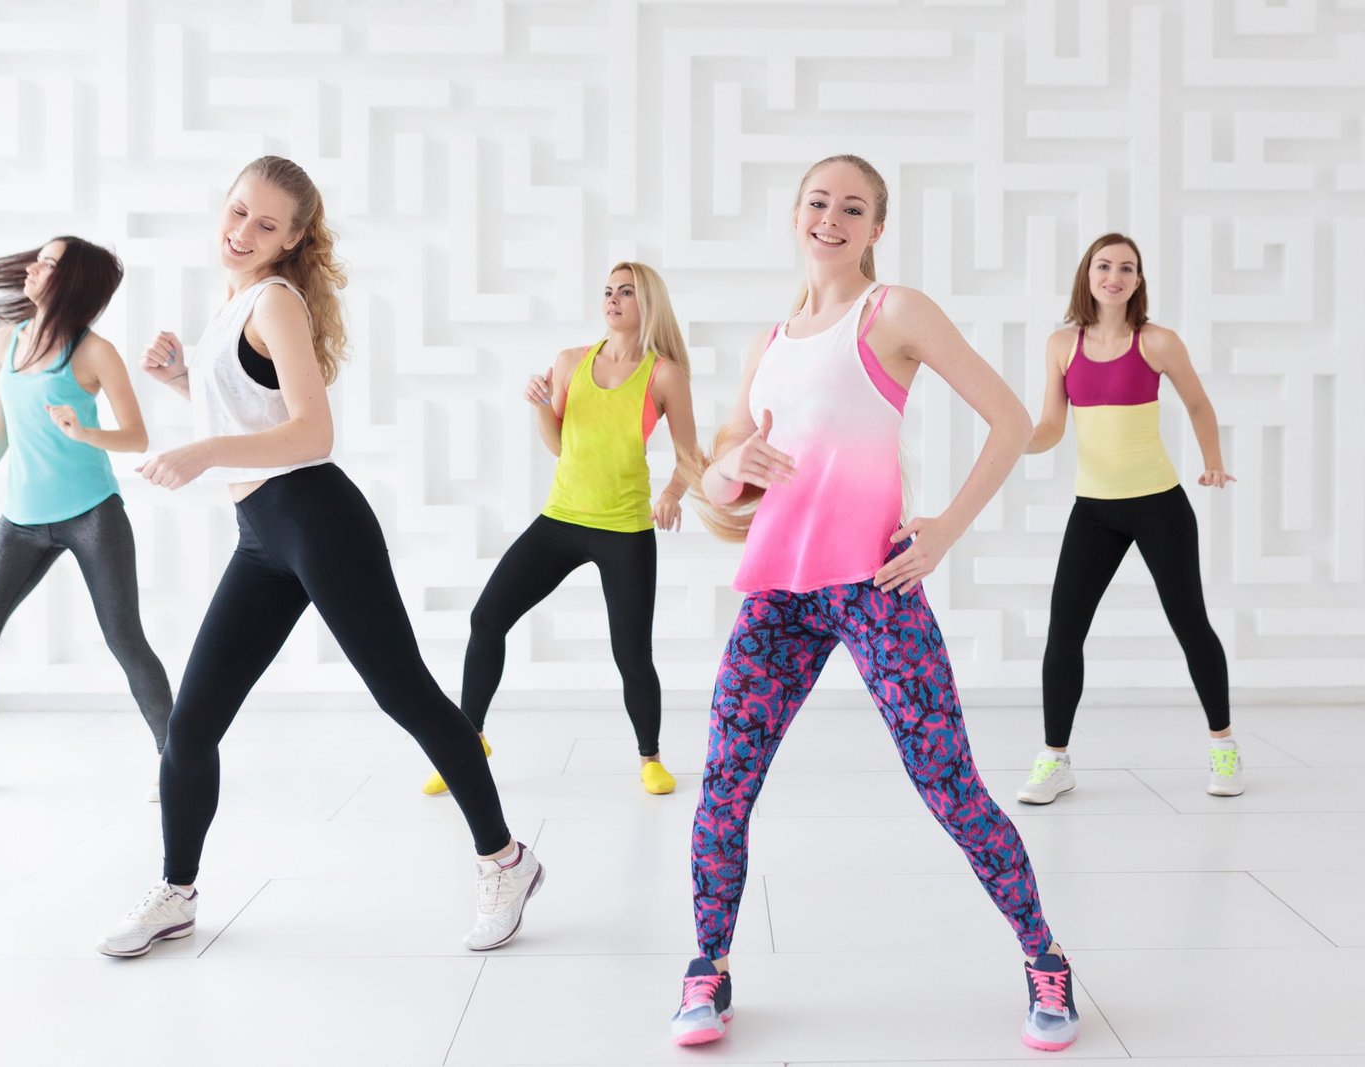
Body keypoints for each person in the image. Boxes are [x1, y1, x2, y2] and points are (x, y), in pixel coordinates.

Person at [669, 155, 1078, 1052]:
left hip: (875, 585)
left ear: (876, 227)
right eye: (819, 201)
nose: (832, 217)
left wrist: (943, 532)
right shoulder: (768, 342)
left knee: (950, 786)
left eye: (854, 207)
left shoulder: (893, 311)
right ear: (795, 213)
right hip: (780, 592)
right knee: (724, 790)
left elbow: (1011, 420)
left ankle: (1044, 956)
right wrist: (734, 466)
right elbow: (728, 465)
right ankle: (708, 966)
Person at [96, 156, 543, 958]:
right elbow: (255, 410)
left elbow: (312, 434)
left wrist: (200, 451)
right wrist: (180, 379)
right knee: (192, 724)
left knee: (404, 692)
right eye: (236, 213)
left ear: (295, 236)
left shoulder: (274, 302)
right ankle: (178, 891)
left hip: (317, 520)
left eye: (266, 225)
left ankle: (507, 859)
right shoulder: (233, 301)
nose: (242, 233)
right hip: (264, 537)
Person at [420, 262, 702, 798]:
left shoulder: (664, 374)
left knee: (631, 654)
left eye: (626, 292)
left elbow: (689, 454)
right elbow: (558, 445)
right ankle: (469, 740)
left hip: (623, 528)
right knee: (487, 618)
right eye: (608, 291)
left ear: (649, 304)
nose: (613, 299)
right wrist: (537, 406)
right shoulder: (571, 361)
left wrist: (669, 495)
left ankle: (650, 759)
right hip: (560, 520)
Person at [0, 237, 171, 803]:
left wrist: (84, 432)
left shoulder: (93, 351)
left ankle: (173, 757)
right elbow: (1, 428)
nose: (32, 267)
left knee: (125, 640)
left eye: (48, 263)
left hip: (92, 514)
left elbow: (137, 436)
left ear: (72, 282)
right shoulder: (4, 341)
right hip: (22, 520)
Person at [1017, 233, 1240, 805]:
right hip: (1093, 510)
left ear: (1138, 282)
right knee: (1064, 630)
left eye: (1126, 268)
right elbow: (1050, 426)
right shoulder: (1062, 345)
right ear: (1087, 275)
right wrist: (1014, 440)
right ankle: (1055, 759)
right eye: (1103, 266)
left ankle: (1224, 746)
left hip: (1158, 504)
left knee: (1191, 625)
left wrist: (1213, 464)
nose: (1114, 276)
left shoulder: (1157, 342)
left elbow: (1197, 403)